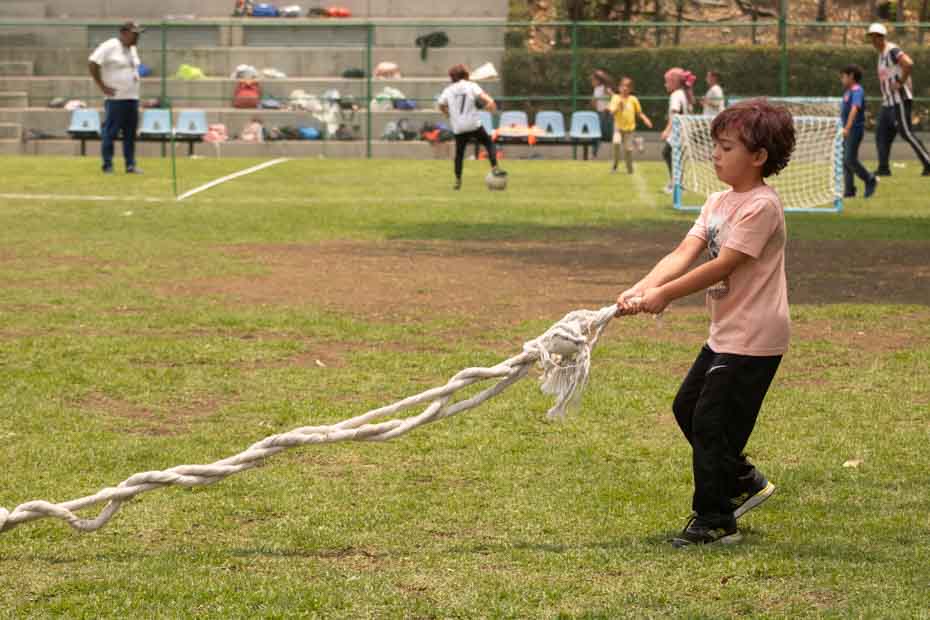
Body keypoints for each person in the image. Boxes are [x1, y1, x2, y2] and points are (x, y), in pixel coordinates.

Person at [616, 99, 795, 547]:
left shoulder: (762, 207)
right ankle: (741, 480)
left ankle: (715, 520)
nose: (715, 154)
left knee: (711, 422)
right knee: (687, 409)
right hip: (726, 333)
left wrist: (665, 296)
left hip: (755, 336)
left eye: (727, 147)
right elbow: (682, 254)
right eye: (715, 145)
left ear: (758, 157)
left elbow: (724, 266)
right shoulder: (717, 202)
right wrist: (641, 287)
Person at [868, 22, 930, 177]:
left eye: (877, 37)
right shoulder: (881, 55)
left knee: (906, 133)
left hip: (899, 100)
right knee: (881, 133)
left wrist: (901, 81)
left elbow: (908, 64)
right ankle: (883, 168)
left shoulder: (892, 50)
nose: (874, 40)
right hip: (888, 101)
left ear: (883, 37)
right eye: (872, 37)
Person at [437, 64, 506, 191]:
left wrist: (447, 114)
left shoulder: (448, 90)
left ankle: (458, 180)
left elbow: (440, 104)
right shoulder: (472, 86)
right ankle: (495, 167)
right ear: (465, 75)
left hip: (458, 127)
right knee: (488, 142)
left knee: (459, 154)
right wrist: (490, 104)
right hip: (473, 124)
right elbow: (487, 100)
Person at [89, 21, 145, 174]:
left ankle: (130, 165)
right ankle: (107, 165)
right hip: (116, 99)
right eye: (135, 34)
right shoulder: (110, 45)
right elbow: (93, 62)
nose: (137, 37)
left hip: (132, 98)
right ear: (124, 33)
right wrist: (101, 85)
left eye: (138, 34)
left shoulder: (132, 49)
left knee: (130, 134)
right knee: (111, 132)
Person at [840, 64, 878, 199]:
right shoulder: (848, 92)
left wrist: (847, 128)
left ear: (851, 76)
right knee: (844, 160)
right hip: (846, 130)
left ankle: (870, 179)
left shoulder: (857, 90)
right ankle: (849, 190)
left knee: (850, 159)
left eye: (843, 76)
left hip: (854, 130)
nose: (842, 79)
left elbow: (854, 109)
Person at [607, 77, 653, 174]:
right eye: (623, 86)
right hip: (618, 128)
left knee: (628, 150)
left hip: (629, 130)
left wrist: (646, 119)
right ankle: (615, 165)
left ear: (631, 89)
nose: (625, 88)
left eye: (628, 87)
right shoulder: (615, 98)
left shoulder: (633, 99)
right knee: (616, 143)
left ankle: (630, 170)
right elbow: (611, 112)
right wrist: (618, 107)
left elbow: (639, 113)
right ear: (619, 87)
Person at [660, 67, 695, 193]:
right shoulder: (684, 94)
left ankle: (676, 184)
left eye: (667, 82)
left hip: (678, 132)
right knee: (673, 156)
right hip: (684, 132)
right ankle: (677, 183)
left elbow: (675, 114)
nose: (665, 85)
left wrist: (667, 130)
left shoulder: (676, 95)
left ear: (674, 82)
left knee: (669, 154)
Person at [590, 69, 614, 158]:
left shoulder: (605, 88)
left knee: (613, 134)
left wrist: (608, 107)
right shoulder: (596, 89)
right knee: (597, 135)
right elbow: (594, 103)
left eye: (593, 80)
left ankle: (635, 141)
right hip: (600, 114)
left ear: (598, 80)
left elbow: (614, 98)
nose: (592, 82)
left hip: (607, 114)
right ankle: (594, 154)